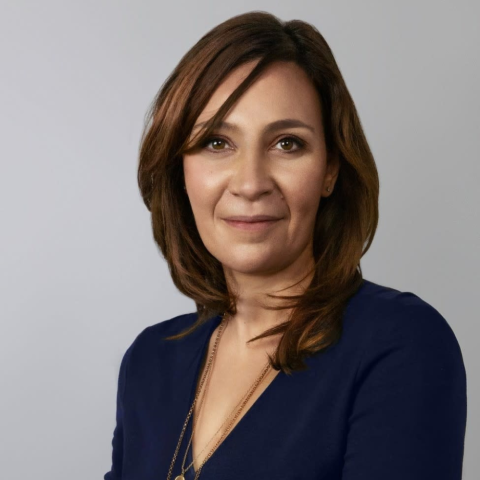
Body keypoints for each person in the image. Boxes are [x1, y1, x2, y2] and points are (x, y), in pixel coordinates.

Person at [104, 11, 467, 480]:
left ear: (330, 169)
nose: (250, 183)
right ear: (181, 171)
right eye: (217, 142)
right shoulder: (149, 361)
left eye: (287, 144)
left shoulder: (401, 345)